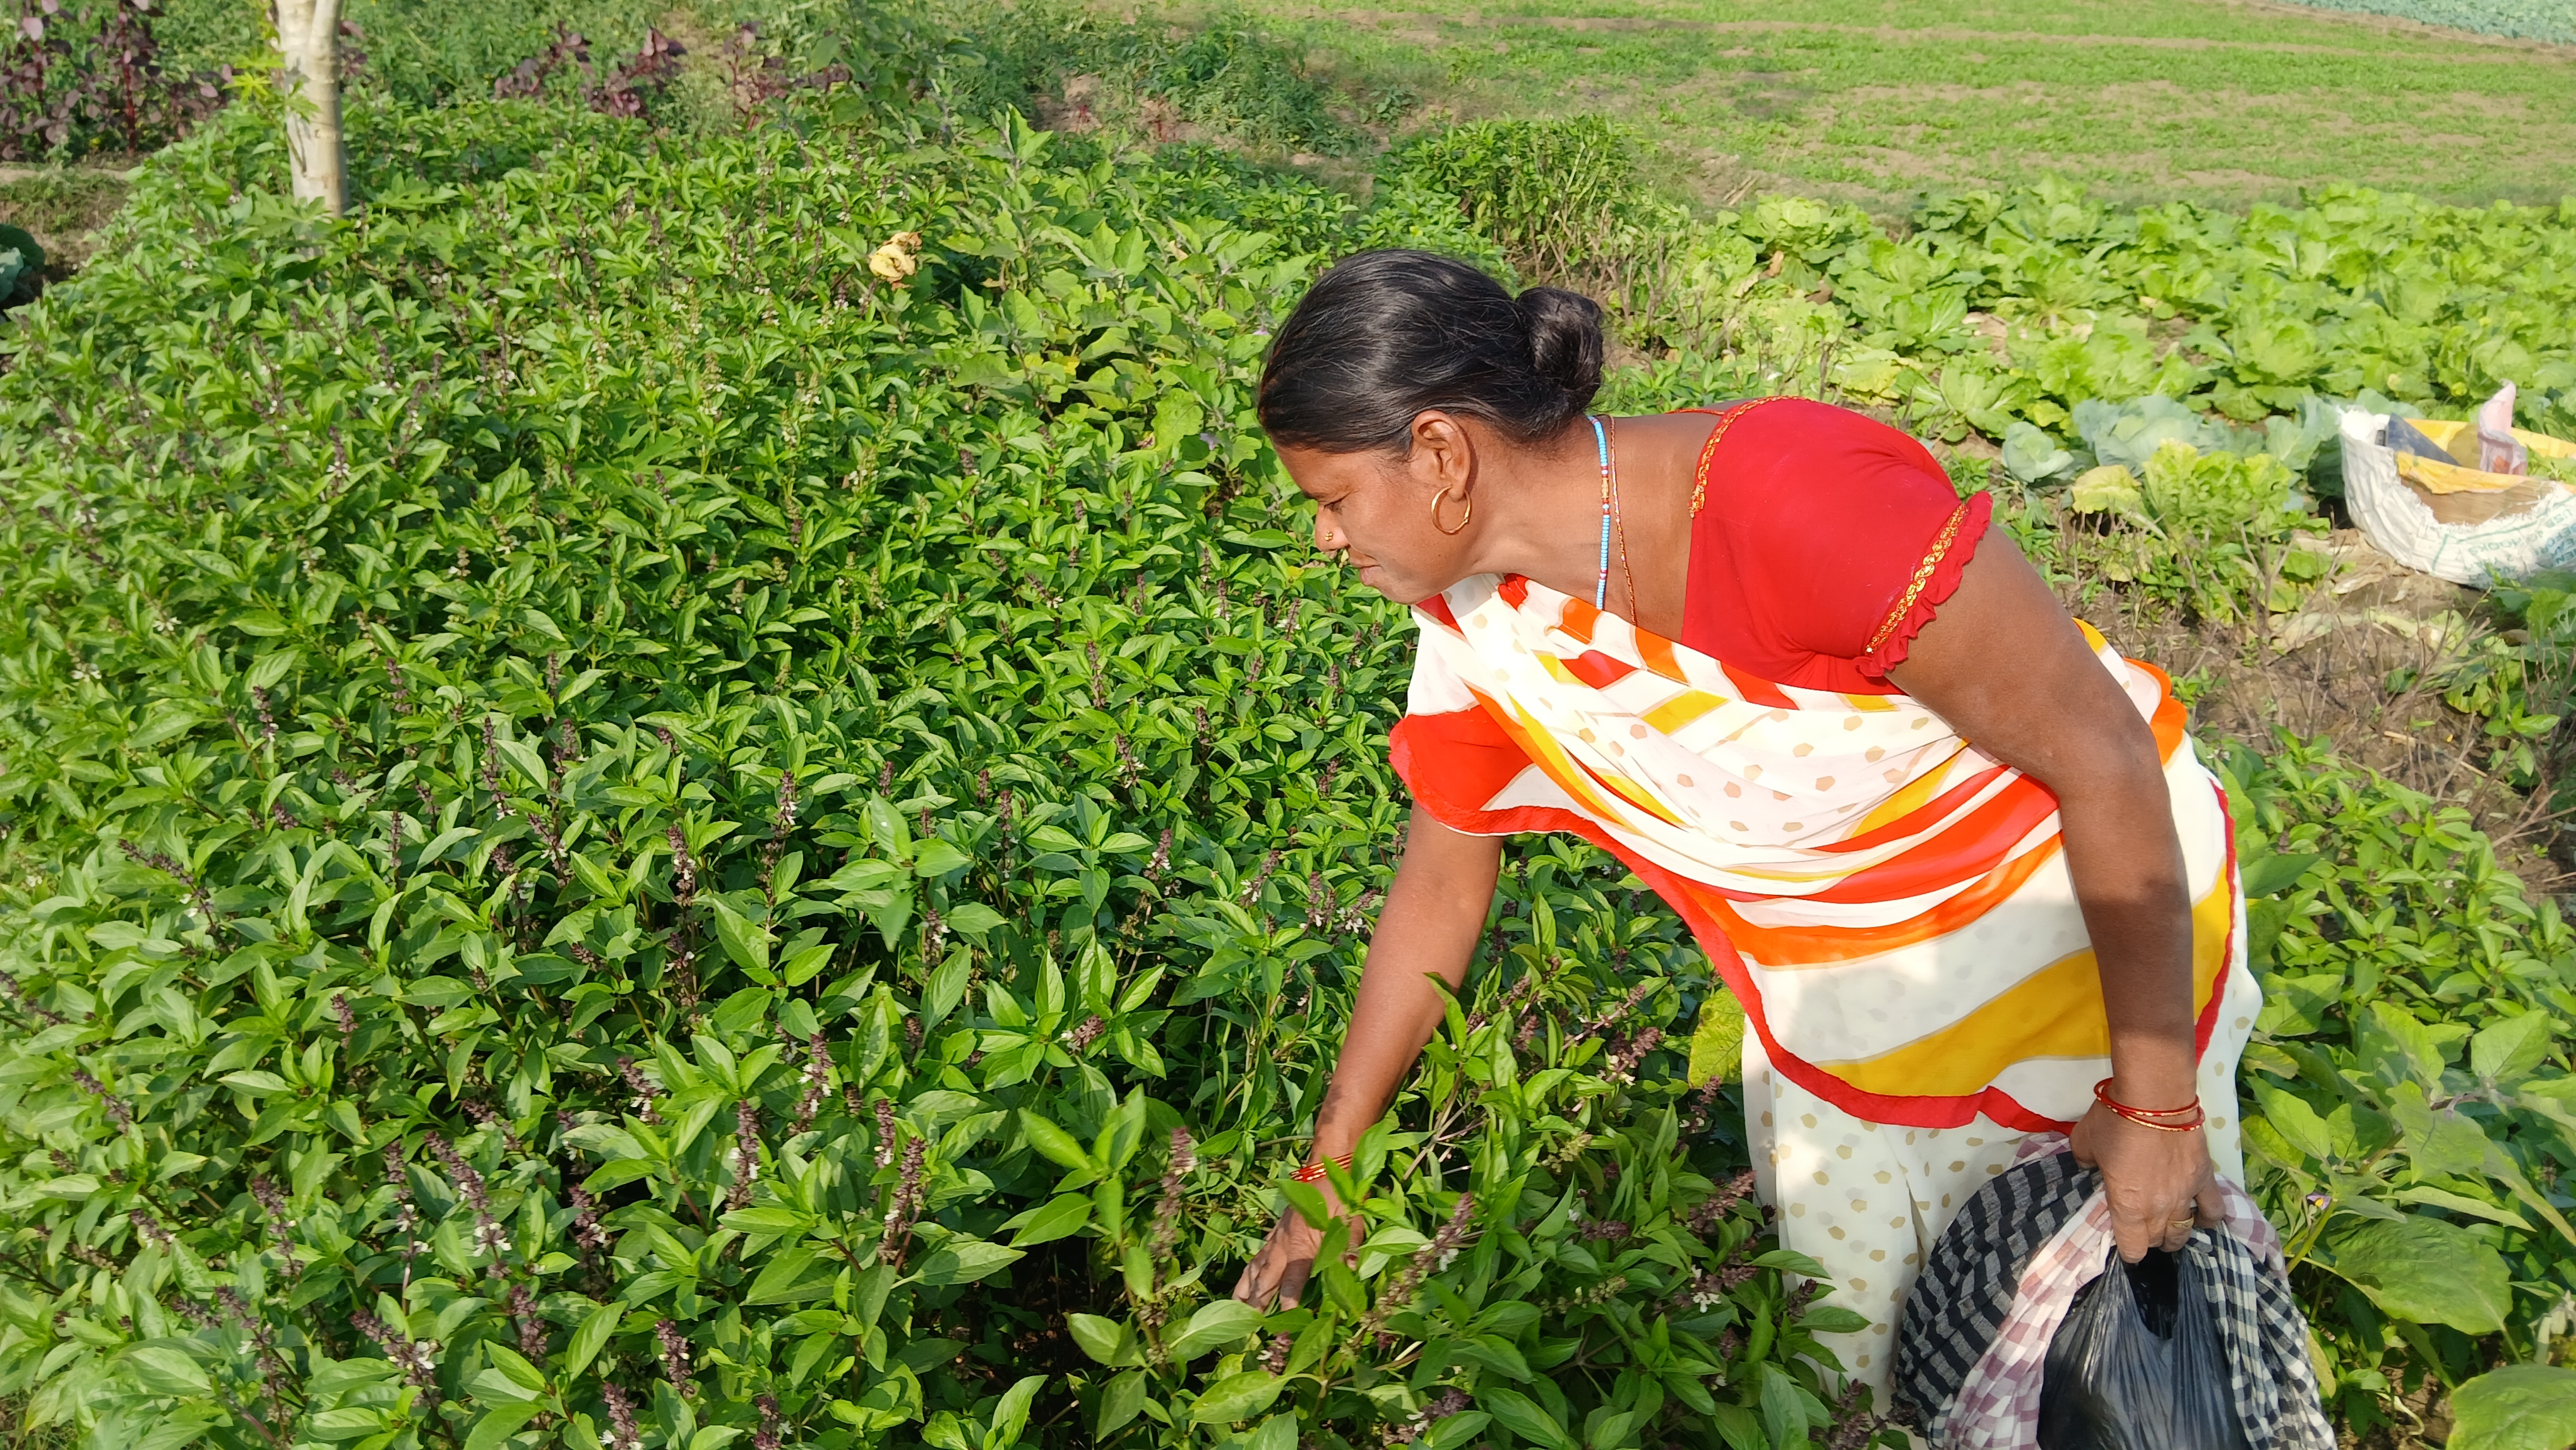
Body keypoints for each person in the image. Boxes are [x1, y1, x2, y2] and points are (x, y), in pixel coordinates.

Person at [1225, 250, 2264, 1400]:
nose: (1325, 540)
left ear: (1440, 455)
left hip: (2086, 938)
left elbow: (2101, 756)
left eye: (1330, 501)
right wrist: (1330, 1176)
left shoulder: (1798, 501)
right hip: (1851, 1008)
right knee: (1866, 1371)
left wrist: (2155, 1099)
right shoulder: (1482, 617)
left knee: (2112, 1366)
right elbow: (1439, 890)